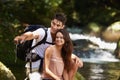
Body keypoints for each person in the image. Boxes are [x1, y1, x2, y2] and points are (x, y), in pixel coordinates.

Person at [14, 12, 83, 80]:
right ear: (51, 22)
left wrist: (75, 57)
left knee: (73, 62)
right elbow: (31, 34)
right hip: (35, 68)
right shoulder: (43, 32)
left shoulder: (60, 37)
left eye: (58, 25)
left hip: (50, 68)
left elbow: (62, 52)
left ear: (62, 27)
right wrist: (22, 37)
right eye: (53, 23)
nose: (54, 27)